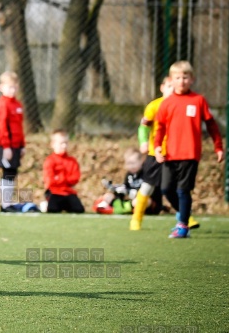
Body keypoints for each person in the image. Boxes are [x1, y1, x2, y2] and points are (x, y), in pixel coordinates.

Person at [154, 60, 224, 238]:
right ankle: (184, 215)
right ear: (172, 80)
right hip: (170, 154)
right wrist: (157, 148)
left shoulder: (198, 100)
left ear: (191, 79)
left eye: (185, 77)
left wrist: (218, 147)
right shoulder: (167, 103)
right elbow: (159, 127)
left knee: (183, 190)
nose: (182, 81)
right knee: (166, 189)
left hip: (190, 154)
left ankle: (183, 225)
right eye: (178, 77)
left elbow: (211, 125)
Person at [129, 76, 197, 230]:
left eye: (175, 87)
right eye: (169, 86)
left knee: (175, 189)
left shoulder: (182, 106)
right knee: (147, 186)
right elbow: (143, 126)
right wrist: (144, 141)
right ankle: (136, 218)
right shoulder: (154, 106)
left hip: (175, 154)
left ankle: (185, 217)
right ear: (162, 88)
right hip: (155, 153)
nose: (173, 89)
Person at [94, 148, 162, 216]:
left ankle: (122, 209)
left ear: (141, 161)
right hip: (131, 201)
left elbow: (150, 193)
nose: (131, 166)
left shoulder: (147, 173)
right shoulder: (129, 175)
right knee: (107, 196)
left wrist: (131, 192)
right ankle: (121, 208)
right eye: (128, 163)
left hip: (149, 203)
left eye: (132, 163)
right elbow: (126, 189)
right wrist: (117, 190)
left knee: (137, 201)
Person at [0, 71, 25, 213]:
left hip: (16, 146)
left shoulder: (17, 104)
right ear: (1, 87)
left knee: (12, 173)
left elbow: (20, 126)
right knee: (7, 173)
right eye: (9, 87)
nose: (12, 90)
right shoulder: (3, 104)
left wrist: (22, 145)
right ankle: (4, 204)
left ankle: (9, 202)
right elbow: (2, 126)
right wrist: (6, 146)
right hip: (7, 146)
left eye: (14, 87)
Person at [43, 129, 84, 214]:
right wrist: (65, 179)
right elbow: (50, 181)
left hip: (68, 192)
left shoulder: (72, 161)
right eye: (61, 143)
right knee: (53, 210)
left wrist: (59, 178)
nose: (64, 146)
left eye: (66, 143)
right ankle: (45, 204)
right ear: (53, 144)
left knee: (79, 209)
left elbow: (75, 178)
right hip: (54, 192)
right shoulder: (50, 160)